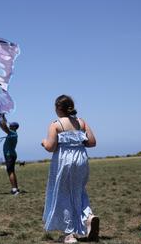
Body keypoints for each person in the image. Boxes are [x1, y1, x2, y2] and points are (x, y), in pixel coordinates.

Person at [42, 95, 99, 243]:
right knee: (79, 190)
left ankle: (69, 234)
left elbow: (50, 147)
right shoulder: (81, 122)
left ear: (58, 109)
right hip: (81, 159)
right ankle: (88, 218)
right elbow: (92, 142)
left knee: (64, 194)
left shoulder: (56, 124)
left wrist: (43, 142)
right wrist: (77, 141)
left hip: (64, 161)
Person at [0, 113, 20, 195]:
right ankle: (16, 188)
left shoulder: (12, 133)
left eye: (11, 125)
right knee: (11, 171)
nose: (9, 126)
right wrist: (2, 117)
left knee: (10, 171)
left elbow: (4, 127)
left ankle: (14, 190)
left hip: (10, 155)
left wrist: (0, 118)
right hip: (11, 155)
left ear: (14, 127)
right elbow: (4, 125)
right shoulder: (12, 133)